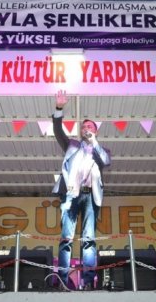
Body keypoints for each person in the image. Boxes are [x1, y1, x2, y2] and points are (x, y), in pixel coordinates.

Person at [52, 90, 111, 290]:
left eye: (90, 127)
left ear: (96, 131)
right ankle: (63, 280)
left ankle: (87, 282)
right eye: (84, 127)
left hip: (91, 196)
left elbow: (106, 161)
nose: (86, 128)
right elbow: (58, 131)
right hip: (71, 194)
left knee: (89, 239)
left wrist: (94, 142)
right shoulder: (72, 145)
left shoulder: (101, 150)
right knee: (66, 238)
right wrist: (59, 108)